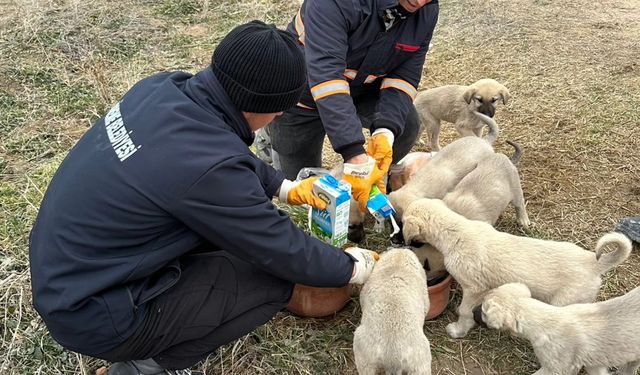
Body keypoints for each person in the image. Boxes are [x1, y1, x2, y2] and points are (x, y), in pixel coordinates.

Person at [28, 21, 379, 375]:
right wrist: (352, 267)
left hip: (67, 274)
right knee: (273, 280)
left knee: (225, 247)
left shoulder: (163, 88)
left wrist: (282, 187)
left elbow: (219, 152)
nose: (276, 118)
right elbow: (280, 248)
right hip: (95, 312)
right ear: (262, 105)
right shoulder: (210, 170)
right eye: (278, 110)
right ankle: (147, 368)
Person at [258, 0, 439, 211]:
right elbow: (327, 77)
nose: (418, 2)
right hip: (302, 95)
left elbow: (403, 77)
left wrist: (385, 131)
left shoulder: (426, 11)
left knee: (405, 126)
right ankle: (269, 132)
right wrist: (354, 153)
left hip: (360, 91)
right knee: (302, 193)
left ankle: (368, 183)